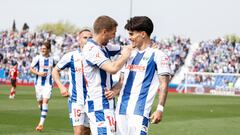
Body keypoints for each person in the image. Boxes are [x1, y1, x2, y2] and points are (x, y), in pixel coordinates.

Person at [105, 16, 172, 135]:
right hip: (121, 110)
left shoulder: (158, 55)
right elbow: (121, 82)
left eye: (131, 34)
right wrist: (113, 91)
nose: (129, 38)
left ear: (143, 34)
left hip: (140, 112)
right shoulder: (129, 55)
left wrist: (160, 109)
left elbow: (164, 84)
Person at [82, 15, 133, 135]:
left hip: (106, 103)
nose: (114, 36)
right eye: (113, 33)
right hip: (98, 104)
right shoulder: (92, 50)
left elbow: (126, 48)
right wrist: (125, 56)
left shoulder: (103, 47)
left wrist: (149, 47)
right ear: (104, 32)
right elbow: (113, 68)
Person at [52, 29, 92, 135]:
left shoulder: (97, 56)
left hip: (92, 99)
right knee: (78, 132)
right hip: (76, 100)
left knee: (87, 131)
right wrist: (61, 87)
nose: (88, 40)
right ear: (79, 40)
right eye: (85, 37)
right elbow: (55, 71)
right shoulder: (71, 56)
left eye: (90, 38)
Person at [30, 41, 55, 132]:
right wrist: (39, 73)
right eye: (42, 48)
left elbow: (54, 70)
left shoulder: (52, 59)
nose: (43, 50)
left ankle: (41, 124)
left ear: (48, 49)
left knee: (45, 102)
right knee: (40, 102)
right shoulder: (37, 58)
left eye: (44, 49)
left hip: (48, 84)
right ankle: (42, 112)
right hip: (38, 84)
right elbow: (31, 69)